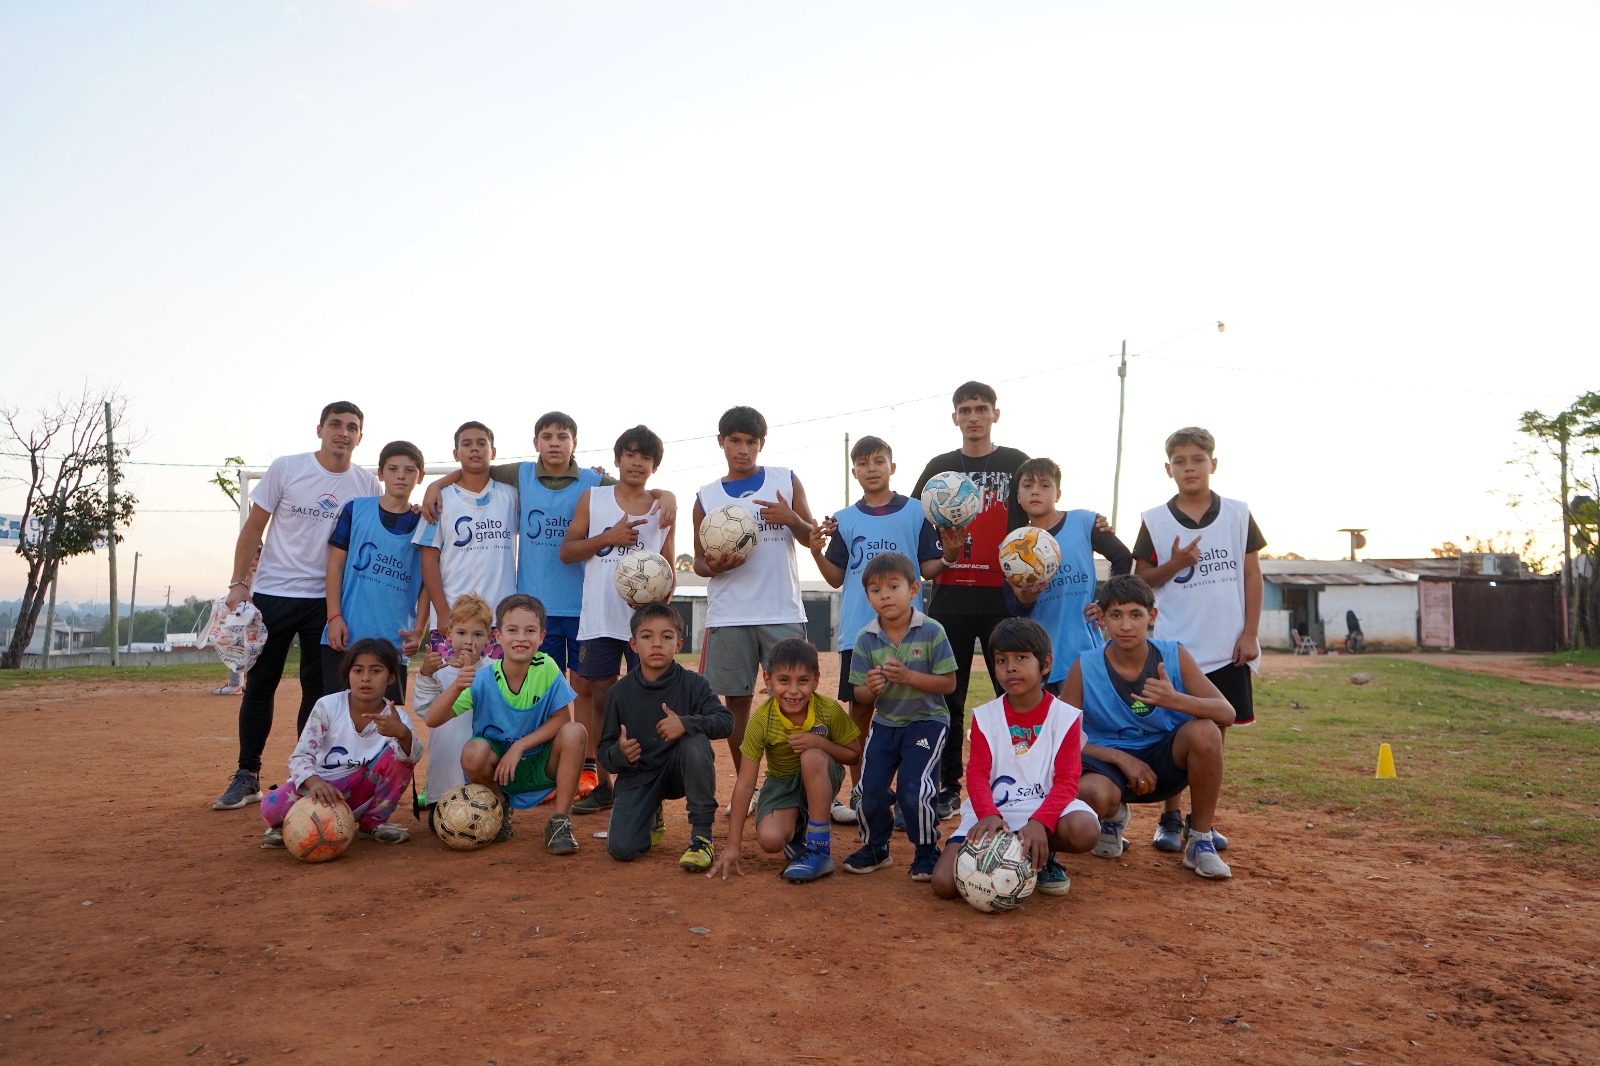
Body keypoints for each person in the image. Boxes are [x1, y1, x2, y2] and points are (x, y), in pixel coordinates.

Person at [421, 411, 675, 797]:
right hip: (535, 611)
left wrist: (666, 494)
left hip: (584, 608)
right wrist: (435, 484)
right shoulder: (520, 475)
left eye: (563, 436)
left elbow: (635, 486)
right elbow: (476, 466)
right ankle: (534, 769)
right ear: (536, 442)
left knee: (586, 689)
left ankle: (588, 769)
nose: (555, 442)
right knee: (535, 692)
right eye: (547, 435)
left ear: (575, 443)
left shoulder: (593, 482)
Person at [214, 401, 380, 811]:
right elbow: (255, 527)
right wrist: (239, 582)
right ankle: (247, 775)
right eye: (336, 425)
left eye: (352, 427)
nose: (343, 433)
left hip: (327, 602)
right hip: (274, 594)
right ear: (320, 429)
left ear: (361, 436)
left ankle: (305, 777)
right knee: (260, 687)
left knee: (320, 693)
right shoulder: (286, 468)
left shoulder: (367, 485)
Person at [1132, 426, 1264, 853]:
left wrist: (1250, 634)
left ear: (1213, 464)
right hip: (1177, 646)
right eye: (1180, 461)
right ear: (1167, 468)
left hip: (1227, 646)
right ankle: (1169, 817)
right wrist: (1175, 563)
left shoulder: (1238, 514)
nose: (1189, 468)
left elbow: (1251, 575)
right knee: (1173, 729)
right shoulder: (1154, 519)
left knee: (1215, 732)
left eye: (1197, 460)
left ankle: (1199, 821)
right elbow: (1141, 581)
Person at [1060, 575, 1236, 880]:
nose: (1126, 625)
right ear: (1101, 618)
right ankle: (1112, 817)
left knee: (1206, 730)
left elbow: (1227, 712)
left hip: (1163, 762)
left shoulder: (1173, 655)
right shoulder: (1083, 666)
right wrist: (1120, 758)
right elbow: (1061, 737)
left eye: (1135, 615)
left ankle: (1199, 840)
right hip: (1109, 763)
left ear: (1151, 617)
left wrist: (1176, 699)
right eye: (1116, 615)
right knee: (1090, 794)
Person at [809, 435, 945, 824]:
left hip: (909, 631)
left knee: (911, 711)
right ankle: (862, 791)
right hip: (860, 631)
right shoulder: (845, 519)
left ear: (893, 467)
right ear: (854, 472)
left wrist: (950, 554)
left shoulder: (917, 512)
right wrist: (817, 549)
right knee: (862, 713)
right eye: (863, 463)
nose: (871, 468)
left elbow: (929, 566)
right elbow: (835, 577)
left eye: (879, 461)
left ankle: (910, 795)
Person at [911, 381, 1030, 822]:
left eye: (982, 408)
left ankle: (1019, 782)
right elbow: (913, 519)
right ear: (955, 417)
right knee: (949, 698)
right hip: (950, 597)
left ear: (996, 414)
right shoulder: (940, 468)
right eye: (966, 409)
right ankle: (946, 787)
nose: (974, 416)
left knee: (1012, 691)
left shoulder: (1016, 463)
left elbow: (1041, 509)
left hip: (1004, 597)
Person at [692, 406, 817, 803]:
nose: (742, 449)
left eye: (750, 442)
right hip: (730, 615)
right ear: (721, 442)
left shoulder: (785, 479)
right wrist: (715, 565)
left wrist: (791, 518)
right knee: (737, 706)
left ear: (761, 444)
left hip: (781, 610)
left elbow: (812, 536)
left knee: (795, 700)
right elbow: (697, 562)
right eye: (735, 441)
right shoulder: (706, 497)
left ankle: (798, 786)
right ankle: (751, 787)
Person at [931, 619, 1099, 899]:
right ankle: (1018, 856)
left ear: (1045, 664)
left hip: (1043, 809)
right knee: (945, 884)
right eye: (1000, 660)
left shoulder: (1065, 717)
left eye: (1021, 658)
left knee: (1084, 828)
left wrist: (1041, 822)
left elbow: (1068, 781)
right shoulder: (986, 716)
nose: (1010, 667)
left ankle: (1042, 857)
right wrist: (988, 814)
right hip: (994, 811)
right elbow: (977, 775)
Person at [562, 425, 675, 817]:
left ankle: (649, 783)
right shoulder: (593, 499)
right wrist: (607, 536)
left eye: (645, 457)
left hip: (642, 623)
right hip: (599, 618)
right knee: (598, 697)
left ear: (654, 465)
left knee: (651, 698)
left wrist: (659, 600)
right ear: (617, 459)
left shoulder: (664, 509)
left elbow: (668, 569)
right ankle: (601, 783)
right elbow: (568, 551)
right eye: (629, 454)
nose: (637, 462)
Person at [435, 594, 587, 854]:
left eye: (530, 631)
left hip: (538, 763)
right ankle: (498, 807)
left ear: (542, 637)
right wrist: (456, 686)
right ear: (498, 636)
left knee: (576, 732)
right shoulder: (482, 678)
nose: (521, 638)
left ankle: (560, 822)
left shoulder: (547, 667)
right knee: (473, 752)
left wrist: (520, 747)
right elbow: (433, 719)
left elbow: (563, 719)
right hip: (499, 770)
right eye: (512, 630)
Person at [843, 553, 959, 881]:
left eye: (893, 586)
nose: (885, 595)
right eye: (876, 590)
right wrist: (871, 687)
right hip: (886, 722)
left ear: (913, 590)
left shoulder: (931, 631)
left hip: (927, 719)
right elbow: (860, 695)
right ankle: (876, 847)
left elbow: (948, 683)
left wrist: (910, 677)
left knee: (915, 785)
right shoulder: (866, 639)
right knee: (868, 790)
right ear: (867, 596)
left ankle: (926, 850)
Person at [709, 638, 862, 883]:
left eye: (803, 681)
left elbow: (853, 754)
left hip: (821, 775)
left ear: (816, 680)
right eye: (783, 681)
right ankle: (799, 832)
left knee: (812, 756)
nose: (793, 690)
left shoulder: (828, 710)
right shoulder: (761, 720)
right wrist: (732, 845)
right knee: (770, 840)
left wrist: (820, 743)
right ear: (768, 680)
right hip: (781, 783)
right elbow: (746, 783)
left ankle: (819, 850)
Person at [597, 603, 733, 869]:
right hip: (639, 774)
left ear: (679, 643)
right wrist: (620, 753)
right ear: (633, 644)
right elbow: (605, 751)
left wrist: (685, 723)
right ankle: (651, 813)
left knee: (695, 741)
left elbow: (726, 722)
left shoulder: (695, 685)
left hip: (679, 771)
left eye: (666, 636)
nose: (657, 644)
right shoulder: (619, 693)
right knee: (622, 849)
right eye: (647, 637)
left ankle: (702, 838)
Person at [258, 638, 422, 849]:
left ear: (391, 677)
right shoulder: (327, 706)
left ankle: (373, 823)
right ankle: (287, 824)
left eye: (375, 671)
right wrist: (315, 782)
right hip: (320, 791)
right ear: (348, 675)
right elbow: (300, 756)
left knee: (399, 754)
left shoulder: (396, 717)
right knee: (271, 807)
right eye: (358, 670)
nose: (365, 678)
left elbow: (413, 757)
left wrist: (402, 734)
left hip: (360, 794)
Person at [1005, 457, 1133, 694]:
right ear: (1019, 496)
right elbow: (1017, 608)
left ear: (1058, 493)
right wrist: (1027, 596)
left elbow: (1123, 558)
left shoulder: (1084, 522)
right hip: (1039, 656)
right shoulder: (1012, 546)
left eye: (1044, 485)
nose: (1035, 492)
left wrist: (1108, 603)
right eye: (1027, 486)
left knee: (1087, 725)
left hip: (1083, 650)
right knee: (1049, 728)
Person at [321, 440, 426, 701]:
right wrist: (333, 617)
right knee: (337, 716)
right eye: (393, 469)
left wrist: (420, 629)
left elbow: (427, 584)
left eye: (409, 470)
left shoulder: (425, 522)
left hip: (393, 639)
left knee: (385, 724)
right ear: (380, 473)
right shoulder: (355, 509)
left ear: (420, 476)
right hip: (347, 634)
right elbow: (335, 564)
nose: (401, 475)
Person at [413, 422, 518, 653]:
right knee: (452, 687)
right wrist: (442, 612)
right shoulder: (439, 500)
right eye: (467, 444)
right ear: (455, 453)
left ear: (493, 452)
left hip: (500, 619)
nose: (474, 449)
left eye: (482, 443)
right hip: (454, 619)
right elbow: (428, 560)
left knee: (497, 688)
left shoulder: (511, 496)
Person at [413, 593, 495, 809]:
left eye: (478, 634)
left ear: (489, 636)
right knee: (440, 826)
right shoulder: (440, 670)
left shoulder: (494, 671)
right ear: (448, 633)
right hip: (443, 782)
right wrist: (426, 674)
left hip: (482, 780)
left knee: (485, 827)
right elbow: (424, 712)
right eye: (461, 632)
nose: (469, 640)